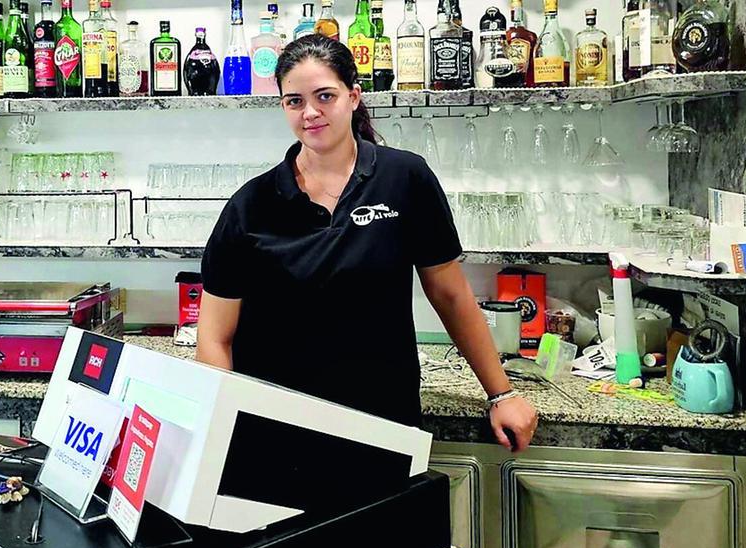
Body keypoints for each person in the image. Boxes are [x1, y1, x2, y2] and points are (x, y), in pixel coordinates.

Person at [196, 35, 539, 452]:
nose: (310, 113)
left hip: (382, 420)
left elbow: (450, 294)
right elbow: (214, 337)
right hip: (275, 428)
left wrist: (500, 393)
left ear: (354, 97)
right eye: (294, 101)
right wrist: (218, 427)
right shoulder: (251, 205)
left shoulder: (404, 178)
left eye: (325, 96)